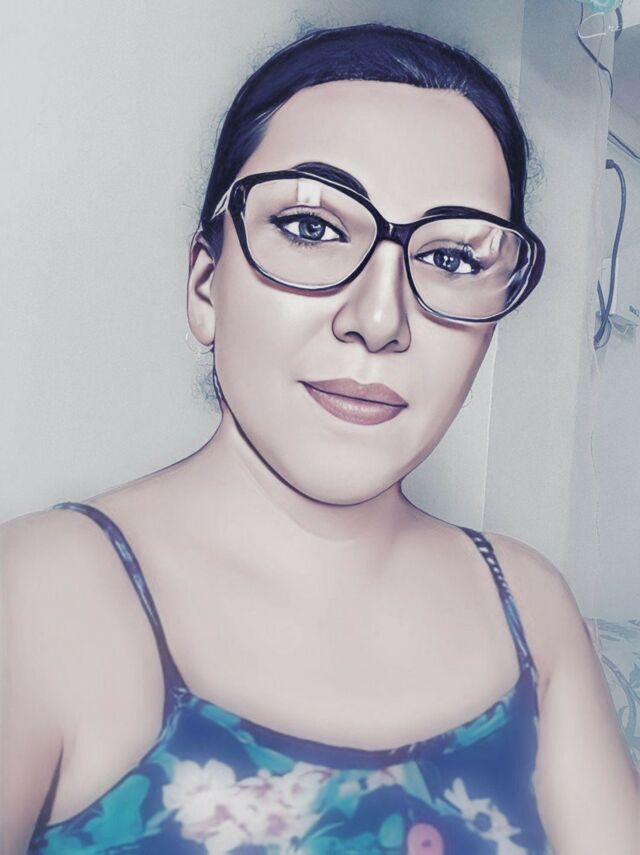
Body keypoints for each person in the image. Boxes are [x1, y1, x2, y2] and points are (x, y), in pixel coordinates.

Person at [2, 22, 638, 855]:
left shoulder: (530, 607)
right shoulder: (36, 595)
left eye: (452, 258)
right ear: (206, 283)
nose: (379, 319)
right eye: (311, 227)